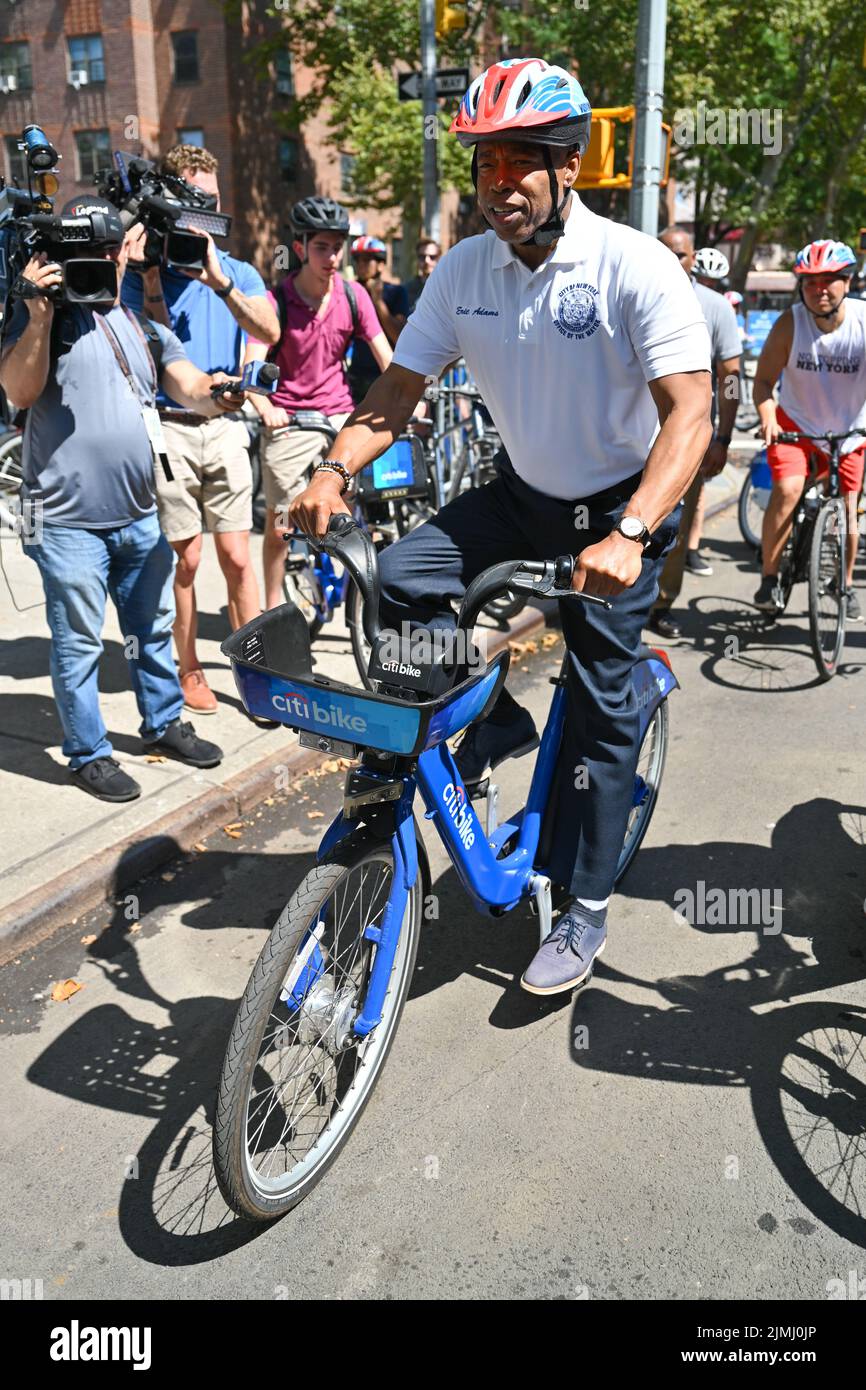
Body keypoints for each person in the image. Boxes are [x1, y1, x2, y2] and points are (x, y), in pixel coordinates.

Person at [289, 57, 711, 995]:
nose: (497, 185)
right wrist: (330, 468)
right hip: (519, 494)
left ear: (568, 166)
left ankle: (586, 906)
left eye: (519, 162)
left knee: (604, 716)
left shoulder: (630, 265)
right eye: (483, 166)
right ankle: (492, 723)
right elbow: (399, 388)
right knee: (400, 577)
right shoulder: (463, 271)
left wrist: (632, 532)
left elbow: (691, 414)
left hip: (615, 508)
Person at [0, 199, 253, 801]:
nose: (101, 263)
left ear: (125, 253)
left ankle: (163, 724)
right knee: (80, 640)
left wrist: (219, 393)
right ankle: (88, 752)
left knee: (153, 628)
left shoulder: (139, 324)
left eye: (109, 252)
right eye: (86, 254)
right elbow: (19, 388)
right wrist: (36, 309)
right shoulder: (44, 319)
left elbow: (187, 383)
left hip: (139, 515)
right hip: (64, 522)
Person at [122, 143, 280, 716]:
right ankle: (188, 668)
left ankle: (259, 673)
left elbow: (271, 328)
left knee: (239, 556)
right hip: (170, 428)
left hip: (227, 426)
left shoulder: (232, 268)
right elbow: (155, 350)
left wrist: (220, 282)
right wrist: (149, 274)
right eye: (191, 203)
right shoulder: (144, 273)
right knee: (184, 560)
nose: (202, 215)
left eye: (211, 202)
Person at [243, 197, 392, 610]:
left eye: (337, 247)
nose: (332, 257)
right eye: (322, 247)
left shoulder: (354, 296)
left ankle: (360, 599)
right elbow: (252, 367)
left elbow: (388, 360)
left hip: (339, 412)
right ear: (300, 248)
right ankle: (272, 608)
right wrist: (264, 408)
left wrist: (411, 401)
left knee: (355, 512)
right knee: (280, 525)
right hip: (289, 418)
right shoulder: (275, 302)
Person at [753, 238, 866, 621]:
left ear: (848, 282)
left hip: (849, 432)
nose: (820, 289)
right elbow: (764, 382)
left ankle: (846, 585)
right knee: (786, 490)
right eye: (810, 282)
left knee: (850, 510)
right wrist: (767, 418)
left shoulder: (863, 322)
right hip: (796, 425)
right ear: (800, 286)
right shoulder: (790, 324)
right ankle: (770, 577)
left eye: (830, 280)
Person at [648, 228, 741, 636]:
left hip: (687, 439)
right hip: (627, 439)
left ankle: (660, 604)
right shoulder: (628, 291)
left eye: (680, 254)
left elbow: (732, 378)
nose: (671, 258)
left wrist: (723, 436)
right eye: (664, 250)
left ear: (693, 259)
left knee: (674, 524)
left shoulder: (715, 307)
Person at [346, 235, 407, 403]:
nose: (360, 265)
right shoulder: (349, 291)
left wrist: (378, 301)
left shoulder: (396, 292)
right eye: (357, 260)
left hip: (384, 373)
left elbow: (399, 336)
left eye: (366, 260)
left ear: (380, 264)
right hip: (355, 375)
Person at [403, 236, 442, 313]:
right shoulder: (406, 289)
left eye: (432, 257)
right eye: (422, 257)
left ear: (439, 259)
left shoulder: (448, 289)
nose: (427, 261)